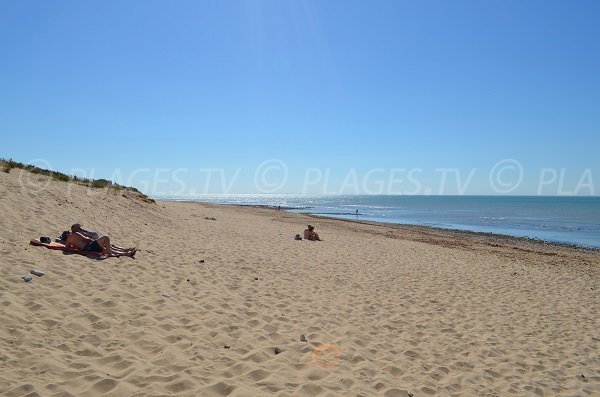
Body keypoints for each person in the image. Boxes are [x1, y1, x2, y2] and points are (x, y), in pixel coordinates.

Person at [65, 231, 136, 257]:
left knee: (108, 248)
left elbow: (67, 247)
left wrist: (74, 245)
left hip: (87, 249)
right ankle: (125, 251)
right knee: (106, 238)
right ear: (69, 233)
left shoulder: (68, 241)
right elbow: (86, 239)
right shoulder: (75, 234)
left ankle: (128, 253)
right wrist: (93, 240)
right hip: (89, 246)